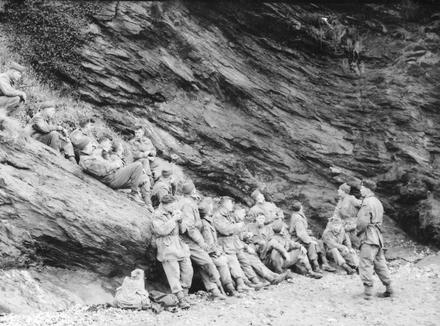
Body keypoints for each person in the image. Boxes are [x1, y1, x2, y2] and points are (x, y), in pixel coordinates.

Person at [177, 183, 226, 300]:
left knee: (204, 263)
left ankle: (215, 290)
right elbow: (190, 228)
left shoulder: (186, 201)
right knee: (207, 262)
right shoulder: (187, 205)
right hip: (188, 240)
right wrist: (201, 242)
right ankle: (218, 291)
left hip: (187, 238)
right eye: (194, 190)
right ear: (192, 191)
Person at [79, 137, 152, 207]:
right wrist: (117, 164)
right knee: (138, 165)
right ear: (85, 147)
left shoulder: (90, 157)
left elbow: (103, 165)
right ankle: (133, 194)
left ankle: (148, 204)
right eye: (90, 145)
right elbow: (104, 171)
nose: (93, 146)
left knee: (144, 178)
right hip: (112, 179)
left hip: (113, 176)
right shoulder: (87, 160)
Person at [151, 195, 193, 309]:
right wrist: (173, 219)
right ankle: (181, 299)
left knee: (188, 270)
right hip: (166, 245)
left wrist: (180, 220)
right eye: (172, 206)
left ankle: (185, 294)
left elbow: (183, 231)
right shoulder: (157, 215)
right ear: (165, 205)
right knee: (173, 274)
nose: (175, 208)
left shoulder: (174, 212)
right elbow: (161, 230)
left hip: (179, 244)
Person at [356, 180, 393, 300]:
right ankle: (389, 288)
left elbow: (363, 222)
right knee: (380, 263)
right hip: (378, 237)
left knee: (366, 263)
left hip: (369, 236)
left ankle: (367, 293)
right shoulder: (377, 202)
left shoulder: (366, 202)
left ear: (368, 189)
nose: (360, 189)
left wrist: (357, 232)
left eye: (362, 187)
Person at [212, 197, 258, 292]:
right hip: (224, 244)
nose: (232, 205)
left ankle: (249, 282)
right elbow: (225, 230)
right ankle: (240, 285)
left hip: (233, 243)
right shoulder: (217, 216)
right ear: (225, 204)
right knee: (234, 263)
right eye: (231, 203)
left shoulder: (227, 215)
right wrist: (239, 225)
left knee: (241, 262)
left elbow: (234, 230)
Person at [199, 199, 240, 296]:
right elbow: (208, 241)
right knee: (221, 261)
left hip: (213, 250)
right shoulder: (204, 223)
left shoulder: (209, 221)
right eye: (211, 206)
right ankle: (228, 288)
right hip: (207, 252)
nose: (212, 208)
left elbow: (214, 240)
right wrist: (215, 251)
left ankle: (232, 286)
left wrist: (218, 249)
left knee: (226, 260)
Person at [289, 201, 336, 273]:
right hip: (296, 239)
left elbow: (301, 231)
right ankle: (315, 266)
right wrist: (309, 240)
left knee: (319, 242)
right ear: (300, 208)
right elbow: (300, 234)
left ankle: (325, 264)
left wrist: (308, 234)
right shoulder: (298, 218)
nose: (302, 207)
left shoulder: (297, 215)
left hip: (301, 237)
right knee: (311, 244)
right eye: (301, 206)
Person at [332, 183, 362, 247]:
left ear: (344, 191)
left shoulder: (351, 198)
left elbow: (362, 205)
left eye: (339, 189)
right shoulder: (340, 201)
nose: (338, 191)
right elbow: (336, 213)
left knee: (352, 240)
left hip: (351, 223)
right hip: (342, 223)